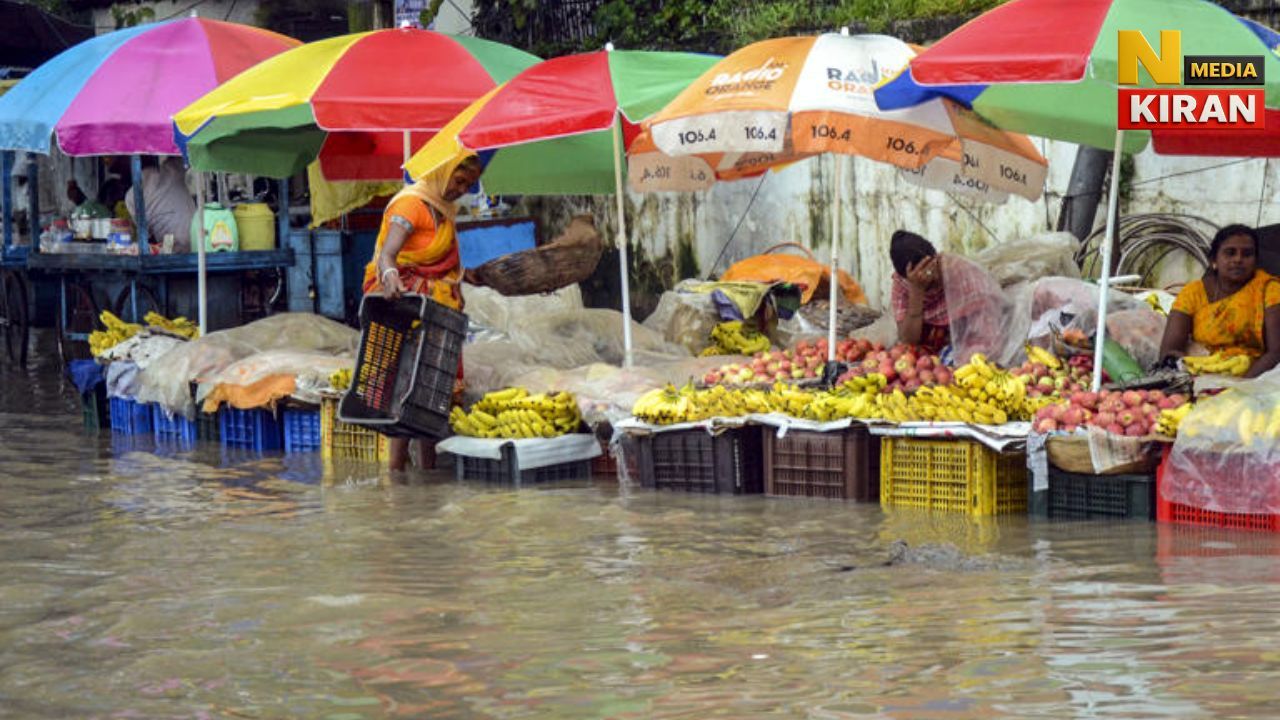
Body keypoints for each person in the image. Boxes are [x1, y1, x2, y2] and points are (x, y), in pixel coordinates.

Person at [363, 153, 484, 472]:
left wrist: (463, 275)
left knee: (432, 389)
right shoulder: (410, 205)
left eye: (469, 185)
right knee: (405, 384)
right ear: (443, 172)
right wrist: (388, 276)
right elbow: (388, 255)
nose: (462, 189)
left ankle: (428, 472)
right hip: (406, 305)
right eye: (459, 181)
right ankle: (396, 472)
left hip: (438, 310)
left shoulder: (444, 212)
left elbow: (439, 265)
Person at [1158, 224, 1280, 379]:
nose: (1238, 259)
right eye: (1230, 253)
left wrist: (1241, 387)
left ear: (1255, 260)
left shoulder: (1269, 289)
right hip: (1200, 373)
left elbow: (1276, 352)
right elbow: (1169, 350)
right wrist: (1193, 377)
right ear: (1213, 260)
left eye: (1247, 254)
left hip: (1255, 375)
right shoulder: (1193, 293)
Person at [889, 229, 1015, 364]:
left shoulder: (958, 270)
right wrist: (917, 292)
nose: (932, 276)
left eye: (933, 268)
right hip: (928, 354)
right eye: (925, 275)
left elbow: (988, 321)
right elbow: (909, 339)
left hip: (969, 342)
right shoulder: (903, 286)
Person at [125, 156, 196, 251]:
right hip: (195, 239)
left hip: (169, 248)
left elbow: (145, 233)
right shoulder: (172, 169)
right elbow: (184, 154)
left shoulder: (131, 196)